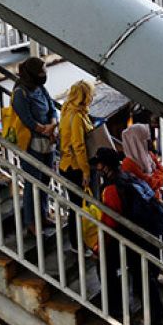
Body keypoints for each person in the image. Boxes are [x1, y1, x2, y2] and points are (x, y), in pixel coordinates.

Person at [90, 147, 163, 325]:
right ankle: (156, 320)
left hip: (130, 238)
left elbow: (110, 221)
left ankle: (117, 314)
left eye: (98, 164)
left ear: (105, 166)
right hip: (144, 236)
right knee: (144, 278)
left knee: (106, 267)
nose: (97, 168)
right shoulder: (129, 177)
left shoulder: (111, 189)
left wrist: (100, 246)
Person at [11, 57, 57, 235]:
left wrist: (52, 123)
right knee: (33, 182)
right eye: (41, 72)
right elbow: (27, 120)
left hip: (48, 140)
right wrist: (45, 129)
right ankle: (30, 221)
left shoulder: (40, 88)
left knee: (45, 180)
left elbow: (52, 107)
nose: (44, 75)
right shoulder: (20, 93)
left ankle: (43, 214)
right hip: (32, 144)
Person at [58, 79, 95, 235]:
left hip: (66, 164)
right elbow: (78, 146)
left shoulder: (67, 109)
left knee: (76, 206)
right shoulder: (77, 117)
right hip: (74, 167)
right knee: (78, 208)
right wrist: (86, 171)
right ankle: (77, 242)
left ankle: (78, 240)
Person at [120, 116, 163, 192]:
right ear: (136, 141)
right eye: (144, 139)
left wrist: (155, 177)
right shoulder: (128, 163)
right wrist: (157, 176)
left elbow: (162, 170)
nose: (148, 141)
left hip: (155, 198)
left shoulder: (149, 154)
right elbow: (149, 183)